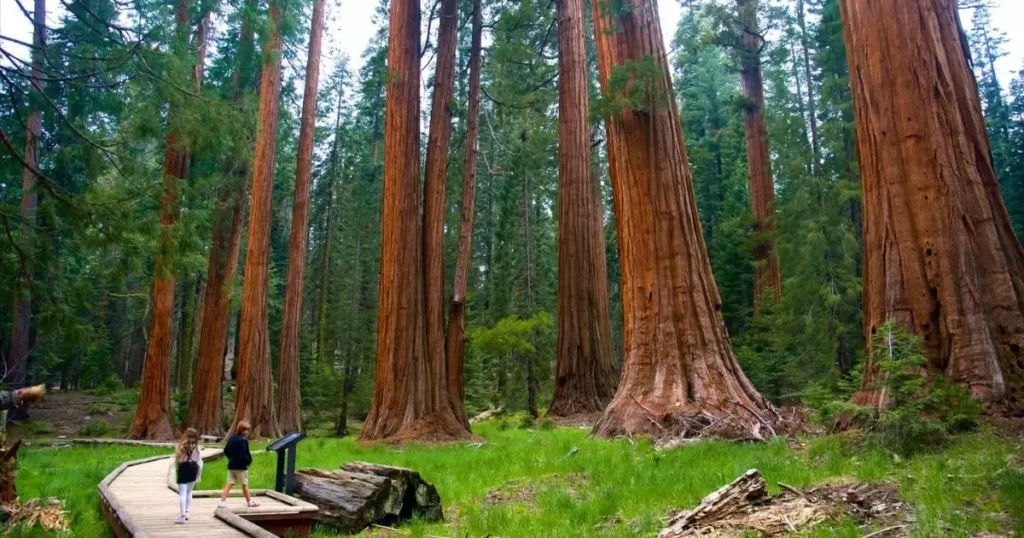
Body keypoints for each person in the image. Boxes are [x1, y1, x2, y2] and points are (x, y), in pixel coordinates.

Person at [218, 420, 259, 508]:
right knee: (244, 484)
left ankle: (222, 501)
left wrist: (231, 459)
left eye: (248, 430)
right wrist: (248, 461)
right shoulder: (243, 440)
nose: (247, 432)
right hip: (241, 467)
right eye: (245, 430)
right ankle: (249, 502)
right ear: (241, 430)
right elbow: (243, 454)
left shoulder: (232, 438)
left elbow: (226, 451)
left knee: (229, 484)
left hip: (231, 466)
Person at [171, 427, 203, 524]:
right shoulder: (197, 447)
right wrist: (199, 474)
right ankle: (187, 511)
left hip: (183, 468)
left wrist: (177, 468)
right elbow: (200, 462)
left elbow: (177, 460)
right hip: (193, 468)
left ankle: (182, 516)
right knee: (189, 492)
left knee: (182, 494)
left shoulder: (180, 446)